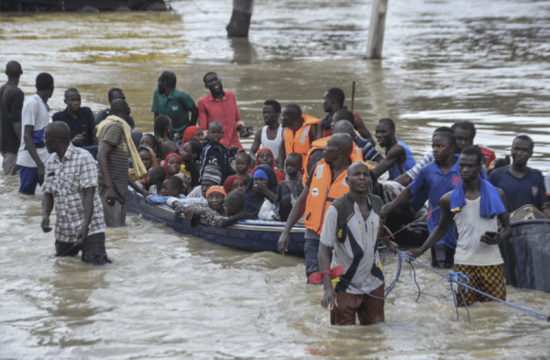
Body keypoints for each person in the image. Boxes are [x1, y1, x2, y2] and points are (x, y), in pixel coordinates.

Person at [410, 146, 512, 307]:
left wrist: (498, 238)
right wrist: (421, 250)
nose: (465, 169)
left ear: (480, 167)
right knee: (465, 312)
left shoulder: (497, 194)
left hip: (492, 262)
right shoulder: (449, 199)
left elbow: (508, 228)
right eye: (462, 165)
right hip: (464, 263)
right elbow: (441, 228)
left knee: (496, 309)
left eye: (470, 166)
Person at [319, 162, 397, 325]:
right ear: (347, 181)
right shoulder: (337, 209)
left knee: (375, 332)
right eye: (356, 174)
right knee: (343, 337)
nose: (361, 178)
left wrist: (388, 243)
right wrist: (327, 288)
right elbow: (323, 251)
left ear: (370, 180)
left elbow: (378, 226)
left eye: (365, 174)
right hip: (345, 282)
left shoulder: (376, 202)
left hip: (374, 280)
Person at [278, 134, 359, 279]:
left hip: (340, 242)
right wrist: (286, 231)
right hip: (314, 237)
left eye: (328, 145)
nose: (323, 149)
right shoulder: (318, 167)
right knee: (314, 281)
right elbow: (302, 200)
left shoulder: (358, 176)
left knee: (339, 284)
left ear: (339, 150)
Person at [381, 131, 460, 268]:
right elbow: (408, 192)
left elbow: (483, 190)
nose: (435, 150)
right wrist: (386, 210)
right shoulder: (427, 171)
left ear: (452, 148)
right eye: (433, 146)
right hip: (438, 232)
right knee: (441, 270)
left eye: (440, 146)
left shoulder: (465, 166)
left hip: (463, 230)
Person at [41, 122, 110, 265]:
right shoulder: (50, 163)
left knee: (95, 269)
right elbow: (48, 193)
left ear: (54, 141)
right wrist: (45, 215)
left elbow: (89, 194)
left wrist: (85, 225)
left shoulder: (83, 158)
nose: (43, 142)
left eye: (45, 138)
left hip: (91, 228)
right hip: (64, 229)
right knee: (61, 266)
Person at [96, 99, 146, 227]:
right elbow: (101, 155)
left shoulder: (108, 125)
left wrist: (141, 191)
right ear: (128, 112)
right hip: (111, 191)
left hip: (118, 190)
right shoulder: (116, 126)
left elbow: (121, 170)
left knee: (119, 231)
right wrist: (109, 188)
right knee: (115, 232)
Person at [489, 135, 550, 217]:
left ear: (530, 153)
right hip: (505, 226)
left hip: (531, 226)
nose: (519, 153)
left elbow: (544, 206)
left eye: (524, 150)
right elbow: (488, 206)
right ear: (511, 150)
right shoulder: (496, 175)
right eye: (516, 149)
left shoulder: (537, 176)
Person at [16, 72, 55, 195]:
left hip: (43, 158)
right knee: (26, 197)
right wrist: (40, 165)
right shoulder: (33, 103)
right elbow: (27, 136)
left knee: (51, 193)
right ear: (52, 89)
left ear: (35, 85)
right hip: (30, 162)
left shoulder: (41, 104)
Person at [198, 72, 251, 152]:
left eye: (216, 79)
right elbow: (204, 130)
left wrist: (243, 129)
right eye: (210, 81)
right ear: (206, 86)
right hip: (217, 148)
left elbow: (237, 120)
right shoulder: (202, 102)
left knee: (249, 163)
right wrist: (218, 144)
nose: (214, 82)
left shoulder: (231, 96)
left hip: (236, 146)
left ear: (220, 80)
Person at [151, 70, 198, 139]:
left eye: (158, 82)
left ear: (164, 84)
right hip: (164, 135)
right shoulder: (156, 93)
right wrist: (157, 136)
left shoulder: (182, 96)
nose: (157, 84)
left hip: (181, 136)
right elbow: (156, 116)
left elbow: (195, 111)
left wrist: (189, 130)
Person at [0, 60, 24, 175]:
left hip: (4, 143)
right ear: (21, 72)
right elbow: (15, 120)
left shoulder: (2, 89)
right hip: (13, 147)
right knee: (10, 180)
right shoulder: (17, 93)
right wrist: (24, 142)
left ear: (6, 73)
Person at [280, 104, 319, 169]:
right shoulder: (285, 129)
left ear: (292, 118)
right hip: (290, 170)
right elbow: (282, 149)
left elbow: (317, 150)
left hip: (306, 169)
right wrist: (281, 168)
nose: (282, 118)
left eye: (284, 116)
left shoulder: (311, 128)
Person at [269, 153, 303, 222]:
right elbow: (277, 203)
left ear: (300, 167)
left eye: (292, 165)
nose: (289, 168)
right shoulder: (282, 185)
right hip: (284, 220)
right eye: (287, 165)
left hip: (300, 220)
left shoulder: (303, 183)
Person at [250, 100, 283, 168]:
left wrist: (273, 162)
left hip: (280, 168)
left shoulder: (284, 131)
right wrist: (258, 161)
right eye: (264, 113)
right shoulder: (261, 132)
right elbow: (251, 153)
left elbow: (289, 153)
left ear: (278, 114)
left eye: (268, 112)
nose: (265, 115)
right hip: (265, 167)